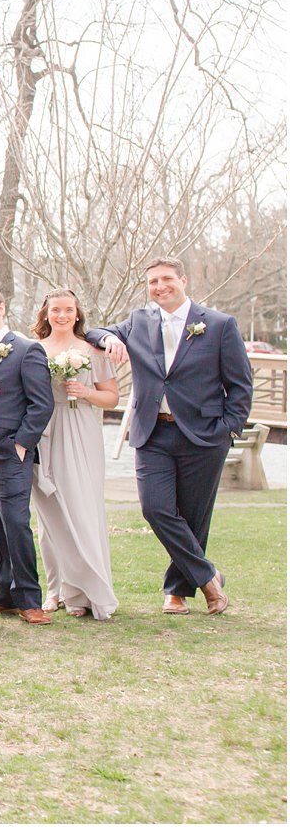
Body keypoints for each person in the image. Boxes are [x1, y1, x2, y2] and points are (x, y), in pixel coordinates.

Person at [86, 257, 253, 615]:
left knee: (193, 516)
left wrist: (228, 429)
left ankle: (176, 591)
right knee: (155, 508)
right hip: (152, 431)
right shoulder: (138, 321)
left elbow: (240, 386)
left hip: (205, 435)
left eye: (166, 279)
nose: (160, 286)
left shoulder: (219, 325)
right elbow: (94, 331)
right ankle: (209, 577)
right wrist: (111, 338)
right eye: (152, 282)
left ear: (183, 281)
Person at [0, 286, 56, 625]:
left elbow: (41, 403)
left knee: (16, 523)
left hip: (8, 453)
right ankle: (1, 592)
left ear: (1, 309)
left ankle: (30, 598)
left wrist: (21, 444)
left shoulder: (26, 350)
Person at [32, 289, 119, 620]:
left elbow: (112, 398)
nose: (62, 315)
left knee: (83, 509)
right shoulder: (36, 351)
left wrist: (85, 392)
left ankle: (87, 591)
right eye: (55, 309)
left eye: (68, 309)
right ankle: (57, 589)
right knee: (50, 511)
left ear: (78, 313)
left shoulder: (93, 351)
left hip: (82, 430)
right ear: (46, 314)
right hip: (47, 429)